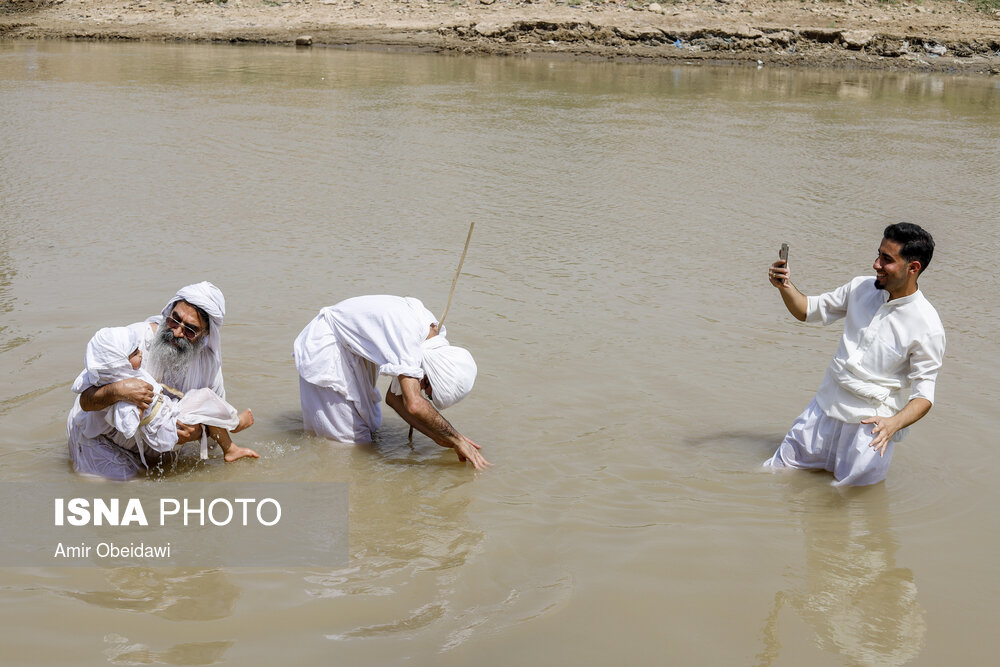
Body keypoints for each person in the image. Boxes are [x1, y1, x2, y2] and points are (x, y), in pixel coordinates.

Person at [763, 223, 945, 486]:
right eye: (878, 254)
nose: (876, 264)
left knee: (853, 507)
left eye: (887, 259)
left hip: (870, 430)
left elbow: (924, 395)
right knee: (774, 475)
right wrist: (784, 285)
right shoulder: (861, 288)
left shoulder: (927, 325)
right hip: (823, 410)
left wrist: (894, 424)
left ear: (913, 267)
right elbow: (808, 310)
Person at [67, 282, 254, 480]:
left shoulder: (208, 365)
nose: (177, 332)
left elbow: (212, 415)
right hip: (100, 442)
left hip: (156, 446)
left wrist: (197, 434)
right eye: (175, 320)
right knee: (121, 493)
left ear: (205, 334)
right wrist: (118, 390)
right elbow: (85, 401)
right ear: (168, 312)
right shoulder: (134, 340)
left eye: (190, 330)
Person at [294, 295, 488, 470]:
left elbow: (394, 399)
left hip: (354, 352)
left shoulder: (428, 341)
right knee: (351, 446)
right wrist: (456, 439)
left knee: (369, 427)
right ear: (432, 373)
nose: (421, 389)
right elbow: (414, 404)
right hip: (330, 346)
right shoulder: (409, 338)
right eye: (427, 387)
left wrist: (440, 437)